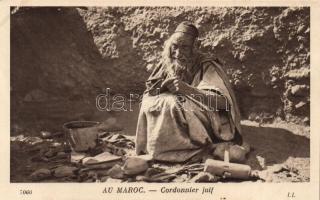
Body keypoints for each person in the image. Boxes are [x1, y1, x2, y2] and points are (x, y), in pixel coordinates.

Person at [135, 21, 249, 163]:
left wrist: (186, 90)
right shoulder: (168, 61)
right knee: (152, 102)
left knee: (172, 102)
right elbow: (149, 92)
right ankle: (160, 146)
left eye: (184, 47)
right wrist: (161, 89)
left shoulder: (207, 65)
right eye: (174, 46)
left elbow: (223, 103)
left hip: (208, 118)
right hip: (179, 113)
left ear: (196, 47)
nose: (178, 53)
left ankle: (186, 150)